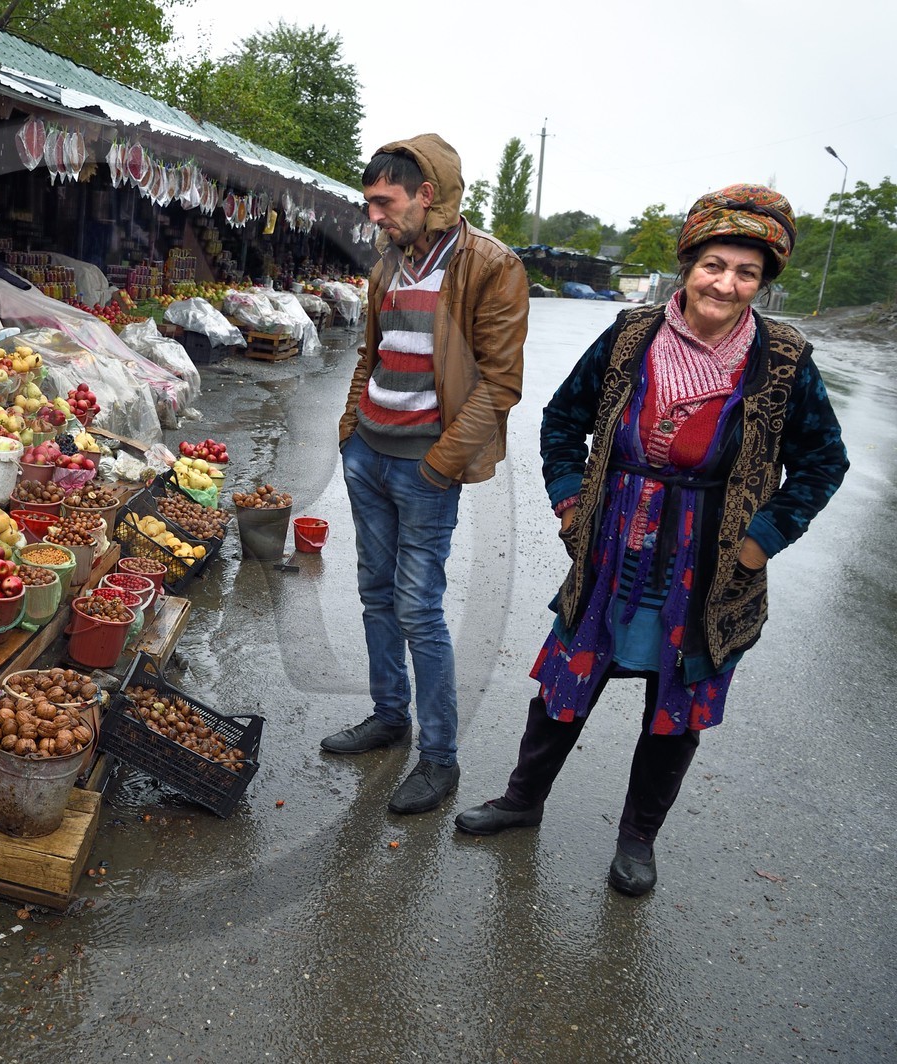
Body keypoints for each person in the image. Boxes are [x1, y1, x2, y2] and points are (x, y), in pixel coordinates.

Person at [454, 185, 849, 896]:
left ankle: (637, 839)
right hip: (610, 551)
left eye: (746, 273)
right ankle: (521, 800)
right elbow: (561, 418)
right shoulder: (632, 335)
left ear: (761, 284)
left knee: (677, 705)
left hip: (707, 565)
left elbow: (824, 462)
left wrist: (761, 540)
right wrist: (572, 503)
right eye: (714, 265)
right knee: (564, 683)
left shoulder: (783, 358)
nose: (726, 284)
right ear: (689, 265)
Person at [325, 135, 529, 815]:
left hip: (424, 468)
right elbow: (371, 353)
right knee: (375, 595)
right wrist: (352, 430)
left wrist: (440, 464)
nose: (374, 215)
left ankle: (440, 758)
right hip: (369, 456)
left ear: (426, 196)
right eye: (370, 203)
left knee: (418, 608)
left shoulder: (491, 267)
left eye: (384, 202)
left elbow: (500, 383)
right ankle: (390, 716)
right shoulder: (390, 261)